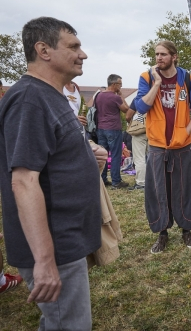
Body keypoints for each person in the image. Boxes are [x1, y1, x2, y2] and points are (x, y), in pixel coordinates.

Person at [0, 17, 107, 330]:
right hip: (54, 247)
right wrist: (44, 261)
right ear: (43, 50)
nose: (83, 54)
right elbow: (23, 180)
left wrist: (85, 153)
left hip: (66, 239)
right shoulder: (30, 99)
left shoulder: (50, 95)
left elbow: (47, 152)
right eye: (73, 47)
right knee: (67, 324)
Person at [134, 40, 191, 254]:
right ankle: (162, 233)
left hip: (181, 146)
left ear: (174, 56)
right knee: (158, 191)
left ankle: (186, 229)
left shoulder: (188, 78)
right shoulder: (146, 77)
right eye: (156, 54)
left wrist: (186, 132)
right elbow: (141, 107)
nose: (158, 58)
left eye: (163, 54)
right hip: (157, 146)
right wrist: (156, 84)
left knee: (184, 189)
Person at [96, 74, 130, 188]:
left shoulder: (99, 95)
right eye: (120, 84)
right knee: (116, 155)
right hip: (113, 128)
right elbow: (126, 110)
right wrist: (121, 97)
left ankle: (103, 179)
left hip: (101, 128)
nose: (121, 86)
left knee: (103, 155)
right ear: (114, 84)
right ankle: (116, 181)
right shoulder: (115, 97)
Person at [125, 99, 148, 190]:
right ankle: (154, 180)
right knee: (154, 157)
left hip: (140, 131)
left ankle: (141, 182)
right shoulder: (159, 96)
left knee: (139, 158)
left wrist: (133, 124)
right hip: (155, 131)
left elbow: (128, 116)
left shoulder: (139, 99)